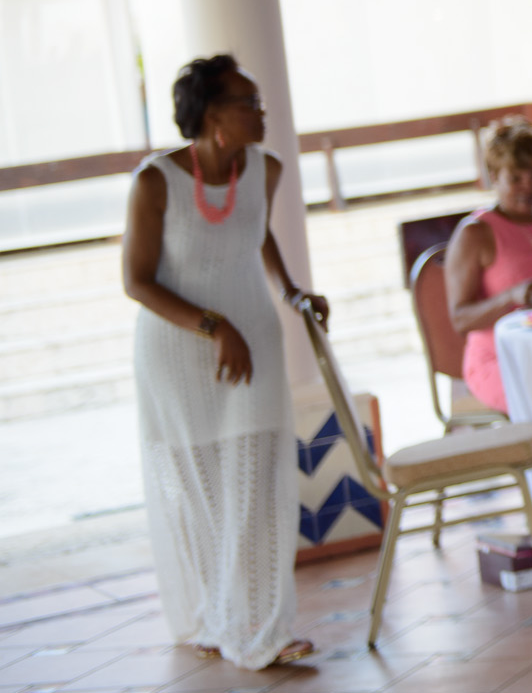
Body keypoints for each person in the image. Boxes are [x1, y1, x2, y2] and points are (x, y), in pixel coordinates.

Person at [121, 55, 327, 669]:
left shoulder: (265, 169)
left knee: (259, 482)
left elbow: (255, 232)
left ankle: (263, 628)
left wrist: (291, 292)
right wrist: (214, 327)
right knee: (202, 489)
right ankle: (217, 614)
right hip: (180, 354)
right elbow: (136, 281)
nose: (262, 113)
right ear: (213, 117)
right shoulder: (156, 181)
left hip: (254, 343)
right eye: (248, 104)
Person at [446, 118, 532, 414]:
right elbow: (459, 319)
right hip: (502, 359)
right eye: (516, 178)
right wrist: (510, 297)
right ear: (494, 177)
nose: (528, 186)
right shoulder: (474, 233)